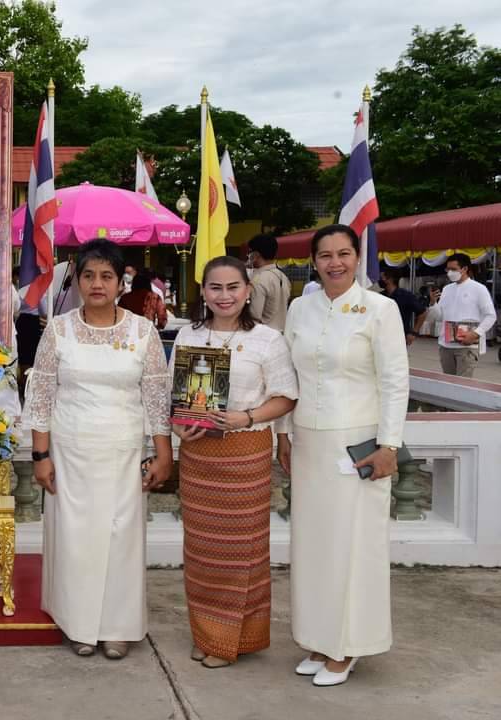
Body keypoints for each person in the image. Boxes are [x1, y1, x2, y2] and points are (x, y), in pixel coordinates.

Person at [22, 239, 173, 660]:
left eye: (107, 275)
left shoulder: (142, 331)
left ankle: (116, 627)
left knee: (121, 539)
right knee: (76, 541)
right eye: (88, 275)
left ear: (122, 281)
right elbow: (42, 397)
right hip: (70, 454)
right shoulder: (59, 330)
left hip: (124, 453)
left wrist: (164, 454)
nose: (97, 284)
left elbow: (156, 397)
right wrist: (40, 456)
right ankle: (80, 624)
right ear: (78, 281)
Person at [276, 224, 409, 687]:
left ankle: (349, 645)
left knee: (353, 547)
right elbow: (288, 377)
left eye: (344, 254)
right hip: (308, 441)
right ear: (313, 261)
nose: (335, 263)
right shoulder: (300, 308)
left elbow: (395, 380)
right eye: (325, 255)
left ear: (357, 257)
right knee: (313, 546)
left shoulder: (380, 309)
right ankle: (319, 639)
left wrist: (389, 445)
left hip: (358, 443)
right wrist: (283, 434)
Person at [171, 256, 298, 668]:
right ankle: (207, 634)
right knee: (202, 551)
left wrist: (247, 417)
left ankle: (233, 639)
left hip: (245, 455)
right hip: (199, 456)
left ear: (247, 291)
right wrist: (179, 426)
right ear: (203, 292)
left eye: (232, 287)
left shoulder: (268, 339)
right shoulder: (189, 335)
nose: (223, 296)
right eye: (215, 287)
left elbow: (285, 397)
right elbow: (174, 396)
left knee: (241, 551)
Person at [433, 253, 496, 378]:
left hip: (467, 345)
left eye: (453, 269)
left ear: (465, 269)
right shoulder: (447, 289)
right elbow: (440, 316)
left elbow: (491, 316)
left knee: (463, 384)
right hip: (446, 344)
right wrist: (433, 304)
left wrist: (476, 333)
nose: (450, 272)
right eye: (448, 269)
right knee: (448, 382)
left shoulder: (479, 289)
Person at [246, 234, 291, 331]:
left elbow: (254, 316)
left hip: (264, 334)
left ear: (256, 255)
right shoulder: (283, 277)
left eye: (249, 252)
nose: (248, 256)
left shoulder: (258, 279)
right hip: (282, 332)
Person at [379, 268, 427, 346]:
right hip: (381, 337)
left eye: (382, 277)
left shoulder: (406, 296)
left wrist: (414, 332)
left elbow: (422, 313)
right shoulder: (380, 296)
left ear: (390, 279)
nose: (380, 280)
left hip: (399, 338)